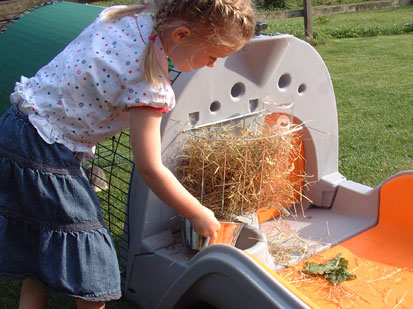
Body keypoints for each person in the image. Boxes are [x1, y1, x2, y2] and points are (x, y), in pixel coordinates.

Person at [0, 0, 256, 308]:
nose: (213, 64)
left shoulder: (126, 16)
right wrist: (197, 213)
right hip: (45, 148)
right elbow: (150, 167)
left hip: (17, 126)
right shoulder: (149, 84)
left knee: (42, 229)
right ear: (181, 35)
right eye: (213, 55)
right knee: (90, 256)